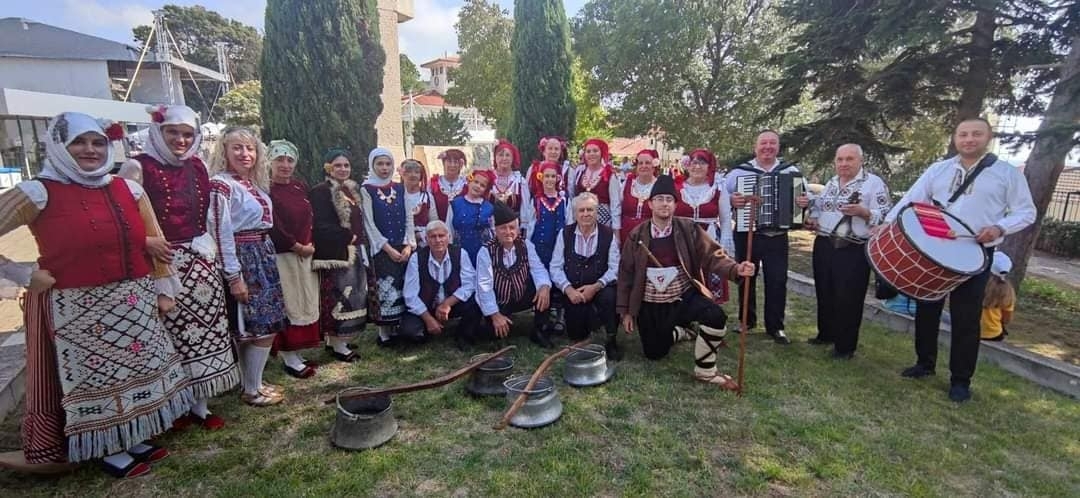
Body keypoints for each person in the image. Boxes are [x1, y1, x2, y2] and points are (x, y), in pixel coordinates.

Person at [0, 112, 193, 477]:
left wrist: (163, 287)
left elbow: (155, 243)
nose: (90, 150)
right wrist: (22, 274)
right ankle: (107, 447)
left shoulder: (128, 189)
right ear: (59, 145)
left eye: (97, 143)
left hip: (134, 300)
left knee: (138, 370)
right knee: (97, 379)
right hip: (77, 307)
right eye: (79, 142)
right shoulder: (38, 192)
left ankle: (133, 436)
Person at [882, 117, 1035, 402]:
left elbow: (1026, 212)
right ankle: (924, 363)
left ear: (988, 138)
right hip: (934, 250)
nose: (969, 139)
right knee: (927, 307)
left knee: (966, 316)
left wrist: (999, 228)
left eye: (976, 134)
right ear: (955, 138)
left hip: (976, 254)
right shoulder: (939, 170)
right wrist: (887, 225)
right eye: (963, 134)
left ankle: (961, 380)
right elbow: (912, 200)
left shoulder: (1006, 173)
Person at [119, 104, 238, 430]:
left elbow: (208, 215)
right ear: (158, 131)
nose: (181, 140)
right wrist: (146, 242)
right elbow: (120, 216)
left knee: (203, 333)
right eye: (173, 132)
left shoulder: (197, 166)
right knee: (169, 336)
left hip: (200, 261)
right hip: (162, 264)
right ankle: (173, 406)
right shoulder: (137, 167)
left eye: (187, 134)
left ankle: (200, 405)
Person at [617, 175, 756, 387]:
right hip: (650, 303)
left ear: (675, 204)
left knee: (715, 315)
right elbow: (626, 273)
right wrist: (626, 311)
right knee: (654, 353)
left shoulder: (688, 228)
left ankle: (705, 371)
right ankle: (683, 331)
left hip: (682, 297)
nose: (664, 204)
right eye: (660, 199)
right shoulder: (637, 235)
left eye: (669, 200)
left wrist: (736, 268)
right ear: (650, 204)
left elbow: (713, 255)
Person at [208, 126, 288, 407]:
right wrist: (233, 276)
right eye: (237, 148)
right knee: (259, 326)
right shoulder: (221, 184)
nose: (245, 154)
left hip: (262, 255)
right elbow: (221, 232)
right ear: (224, 151)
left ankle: (252, 383)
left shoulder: (250, 183)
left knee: (255, 329)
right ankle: (252, 389)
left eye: (250, 148)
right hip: (244, 258)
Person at [804, 144, 892, 359]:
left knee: (849, 297)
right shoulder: (832, 182)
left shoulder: (873, 183)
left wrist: (865, 213)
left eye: (849, 159)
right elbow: (820, 208)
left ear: (861, 161)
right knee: (825, 290)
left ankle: (845, 347)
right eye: (840, 159)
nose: (844, 163)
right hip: (824, 243)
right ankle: (826, 334)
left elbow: (887, 215)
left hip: (853, 247)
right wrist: (812, 219)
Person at [724, 130, 807, 345]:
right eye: (763, 143)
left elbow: (803, 199)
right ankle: (746, 320)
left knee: (777, 280)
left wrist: (803, 204)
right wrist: (732, 200)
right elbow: (722, 195)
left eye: (772, 143)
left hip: (777, 235)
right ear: (756, 147)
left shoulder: (790, 171)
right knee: (745, 277)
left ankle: (776, 326)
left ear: (778, 147)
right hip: (747, 232)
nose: (767, 147)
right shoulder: (739, 172)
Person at [466, 201, 556, 347]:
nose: (508, 232)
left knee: (545, 288)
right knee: (492, 334)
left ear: (517, 228)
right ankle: (493, 324)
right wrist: (495, 315)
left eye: (512, 227)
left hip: (522, 296)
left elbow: (538, 269)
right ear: (495, 230)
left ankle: (540, 331)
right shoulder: (485, 251)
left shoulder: (526, 245)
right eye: (503, 228)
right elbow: (484, 286)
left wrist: (544, 287)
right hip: (500, 300)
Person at [266, 140, 321, 378]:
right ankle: (289, 356)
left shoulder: (299, 186)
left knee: (305, 300)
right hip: (285, 254)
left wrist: (311, 243)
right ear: (270, 161)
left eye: (289, 160)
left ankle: (298, 352)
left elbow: (311, 216)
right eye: (279, 159)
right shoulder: (267, 189)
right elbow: (274, 224)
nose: (285, 165)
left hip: (306, 252)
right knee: (290, 303)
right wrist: (296, 246)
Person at [309, 148, 367, 363]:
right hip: (335, 252)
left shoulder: (350, 190)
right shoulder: (321, 191)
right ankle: (337, 343)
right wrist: (345, 236)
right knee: (339, 297)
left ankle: (338, 340)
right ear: (328, 168)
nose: (343, 169)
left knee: (352, 295)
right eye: (338, 165)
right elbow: (320, 224)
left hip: (353, 249)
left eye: (346, 165)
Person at [550, 193, 622, 360]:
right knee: (576, 334)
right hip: (574, 291)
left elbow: (615, 268)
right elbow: (555, 267)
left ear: (597, 212)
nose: (586, 214)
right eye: (581, 210)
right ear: (575, 214)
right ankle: (591, 322)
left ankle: (611, 339)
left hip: (600, 287)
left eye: (590, 210)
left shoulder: (608, 234)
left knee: (610, 297)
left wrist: (596, 286)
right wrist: (568, 290)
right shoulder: (565, 234)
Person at [360, 147, 417, 346]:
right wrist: (387, 248)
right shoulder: (367, 190)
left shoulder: (400, 188)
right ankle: (384, 333)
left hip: (402, 246)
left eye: (388, 164)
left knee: (402, 285)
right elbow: (369, 223)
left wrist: (408, 245)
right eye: (380, 164)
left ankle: (398, 328)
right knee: (385, 288)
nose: (384, 168)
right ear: (372, 165)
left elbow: (409, 217)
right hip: (383, 249)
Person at [400, 221, 480, 348]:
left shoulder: (460, 253)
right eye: (433, 237)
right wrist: (428, 319)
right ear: (426, 239)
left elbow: (470, 284)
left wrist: (447, 304)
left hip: (452, 305)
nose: (438, 240)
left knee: (475, 303)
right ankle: (429, 328)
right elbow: (410, 294)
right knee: (409, 332)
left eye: (441, 236)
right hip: (427, 307)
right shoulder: (416, 258)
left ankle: (463, 336)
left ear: (448, 237)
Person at [675, 148, 735, 306]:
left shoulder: (717, 189)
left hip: (709, 238)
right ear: (687, 165)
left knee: (708, 279)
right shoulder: (677, 186)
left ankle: (708, 312)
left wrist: (725, 245)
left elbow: (725, 220)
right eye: (693, 162)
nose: (697, 167)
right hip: (681, 238)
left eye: (702, 163)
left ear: (709, 166)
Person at [567, 138, 622, 239]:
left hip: (603, 222)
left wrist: (616, 232)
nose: (591, 154)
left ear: (601, 153)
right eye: (588, 151)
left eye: (595, 151)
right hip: (581, 221)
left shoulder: (609, 174)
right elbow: (572, 197)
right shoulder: (579, 172)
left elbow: (615, 205)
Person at [524, 161, 569, 268]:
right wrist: (528, 244)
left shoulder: (564, 199)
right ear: (541, 178)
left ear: (558, 178)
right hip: (539, 245)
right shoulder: (536, 200)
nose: (550, 179)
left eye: (553, 176)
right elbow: (530, 224)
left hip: (559, 245)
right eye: (547, 176)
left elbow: (569, 221)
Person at [447, 169, 496, 263]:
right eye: (476, 182)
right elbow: (448, 229)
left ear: (486, 190)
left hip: (482, 253)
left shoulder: (489, 208)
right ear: (469, 182)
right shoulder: (455, 204)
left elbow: (493, 232)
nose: (478, 186)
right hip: (459, 251)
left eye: (482, 185)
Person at [619, 149, 660, 245]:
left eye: (647, 163)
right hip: (626, 233)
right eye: (640, 163)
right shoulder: (627, 183)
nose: (643, 166)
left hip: (650, 235)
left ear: (654, 166)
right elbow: (618, 208)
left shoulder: (659, 185)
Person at [401, 159, 437, 248]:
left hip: (423, 244)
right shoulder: (397, 196)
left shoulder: (427, 197)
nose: (413, 175)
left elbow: (434, 223)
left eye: (417, 172)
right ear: (403, 174)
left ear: (421, 176)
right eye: (409, 171)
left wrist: (420, 235)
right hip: (401, 242)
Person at [981, 252, 1016, 342]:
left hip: (970, 330)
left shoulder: (977, 284)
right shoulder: (1008, 291)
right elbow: (1007, 319)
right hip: (993, 333)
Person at [491, 139, 530, 216]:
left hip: (514, 223)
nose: (504, 158)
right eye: (501, 155)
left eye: (507, 155)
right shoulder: (488, 179)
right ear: (495, 157)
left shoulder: (520, 181)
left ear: (513, 158)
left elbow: (525, 209)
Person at [430, 148, 468, 222]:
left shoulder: (467, 184)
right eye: (449, 161)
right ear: (443, 163)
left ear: (460, 165)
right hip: (438, 226)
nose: (452, 165)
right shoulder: (433, 183)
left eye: (456, 162)